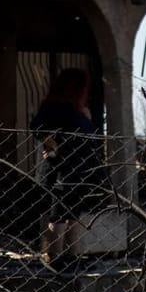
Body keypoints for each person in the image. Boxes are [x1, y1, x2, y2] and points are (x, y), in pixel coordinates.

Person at [33, 67, 103, 265]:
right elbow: (37, 126)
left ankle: (73, 256)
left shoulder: (78, 110)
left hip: (80, 168)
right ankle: (56, 257)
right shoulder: (56, 107)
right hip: (62, 169)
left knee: (74, 214)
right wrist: (51, 143)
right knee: (60, 214)